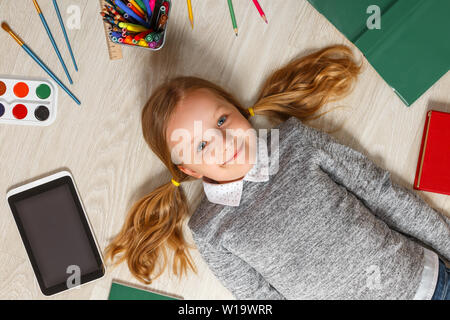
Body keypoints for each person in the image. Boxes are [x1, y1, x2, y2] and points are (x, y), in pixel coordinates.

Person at [104, 45, 450, 299]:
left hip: (424, 285)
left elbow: (380, 193)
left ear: (238, 110)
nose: (224, 140)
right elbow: (260, 298)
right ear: (189, 168)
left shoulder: (296, 143)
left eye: (222, 120)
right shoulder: (210, 230)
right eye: (201, 145)